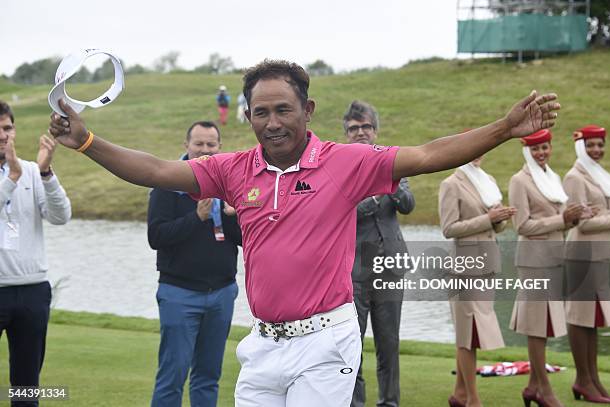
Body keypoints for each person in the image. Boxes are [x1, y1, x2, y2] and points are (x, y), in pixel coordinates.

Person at [49, 60, 560, 406]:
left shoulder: (346, 162)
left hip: (325, 345)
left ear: (307, 112)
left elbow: (427, 155)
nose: (272, 122)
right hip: (262, 346)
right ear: (248, 115)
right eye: (261, 112)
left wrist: (503, 127)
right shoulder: (233, 168)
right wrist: (87, 140)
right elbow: (158, 171)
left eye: (283, 110)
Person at [148, 121, 242, 407]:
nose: (204, 150)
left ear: (219, 147)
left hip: (222, 293)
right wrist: (196, 218)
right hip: (180, 293)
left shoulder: (230, 185)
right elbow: (157, 236)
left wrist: (234, 215)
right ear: (186, 145)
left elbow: (243, 239)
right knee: (172, 376)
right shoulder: (167, 185)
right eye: (198, 144)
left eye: (211, 145)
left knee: (208, 376)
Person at [343, 100, 415, 407]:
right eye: (354, 128)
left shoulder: (393, 161)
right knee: (352, 347)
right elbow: (344, 212)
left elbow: (408, 204)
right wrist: (373, 198)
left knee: (389, 344)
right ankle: (354, 403)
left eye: (366, 127)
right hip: (354, 272)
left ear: (376, 130)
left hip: (390, 268)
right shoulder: (339, 168)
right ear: (346, 133)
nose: (361, 132)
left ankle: (390, 402)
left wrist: (392, 183)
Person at [508, 129, 588, 407]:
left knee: (543, 325)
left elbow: (561, 219)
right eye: (536, 149)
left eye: (545, 148)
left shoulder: (552, 177)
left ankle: (532, 387)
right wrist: (561, 220)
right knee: (536, 326)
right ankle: (543, 388)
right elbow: (522, 226)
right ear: (526, 150)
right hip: (533, 262)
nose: (541, 153)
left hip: (554, 259)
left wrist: (575, 218)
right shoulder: (520, 180)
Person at [0, 100, 71, 407]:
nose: (3, 135)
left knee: (26, 386)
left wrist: (45, 173)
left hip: (32, 291)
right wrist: (11, 179)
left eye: (7, 128)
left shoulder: (30, 170)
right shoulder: (18, 173)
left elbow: (60, 216)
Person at [439, 154, 514, 407]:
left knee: (474, 332)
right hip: (464, 268)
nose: (477, 154)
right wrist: (488, 219)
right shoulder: (451, 183)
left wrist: (500, 219)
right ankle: (473, 400)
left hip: (488, 264)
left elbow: (496, 228)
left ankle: (459, 394)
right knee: (467, 334)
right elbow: (449, 228)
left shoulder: (488, 180)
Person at [563, 125, 610, 403]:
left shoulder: (600, 175)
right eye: (591, 145)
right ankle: (582, 380)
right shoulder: (575, 177)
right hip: (582, 255)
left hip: (599, 255)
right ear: (581, 147)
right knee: (580, 319)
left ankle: (593, 379)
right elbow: (583, 222)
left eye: (600, 144)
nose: (597, 150)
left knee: (592, 320)